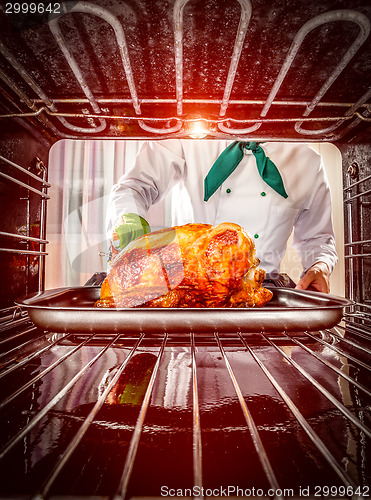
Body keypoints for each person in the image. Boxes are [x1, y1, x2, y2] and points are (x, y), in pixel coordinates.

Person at [106, 140, 338, 293]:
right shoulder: (186, 136)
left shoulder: (308, 160)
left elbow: (318, 238)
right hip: (187, 289)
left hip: (259, 294)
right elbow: (134, 187)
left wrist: (320, 266)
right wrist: (127, 217)